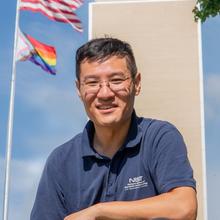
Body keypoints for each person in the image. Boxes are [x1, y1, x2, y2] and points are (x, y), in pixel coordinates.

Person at [31, 37, 197, 220]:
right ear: (79, 89)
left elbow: (184, 208)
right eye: (92, 83)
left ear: (137, 83)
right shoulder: (60, 161)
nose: (105, 93)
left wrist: (99, 211)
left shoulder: (159, 138)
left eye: (116, 80)